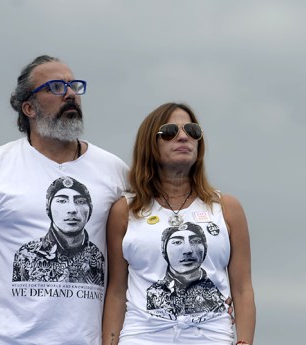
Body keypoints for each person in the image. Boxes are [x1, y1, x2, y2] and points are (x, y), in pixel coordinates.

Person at [0, 55, 128, 345]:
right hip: (0, 338)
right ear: (29, 108)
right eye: (57, 87)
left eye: (74, 86)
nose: (71, 94)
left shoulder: (115, 171)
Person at [102, 102, 255, 345]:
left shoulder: (227, 208)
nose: (183, 137)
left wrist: (244, 342)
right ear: (150, 143)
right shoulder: (125, 210)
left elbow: (243, 289)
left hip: (211, 337)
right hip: (142, 337)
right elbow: (117, 291)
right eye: (171, 131)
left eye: (192, 131)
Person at [12, 176, 105, 284]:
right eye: (62, 201)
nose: (72, 210)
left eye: (80, 201)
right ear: (49, 208)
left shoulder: (97, 255)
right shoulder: (26, 254)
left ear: (90, 208)